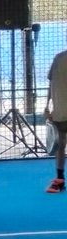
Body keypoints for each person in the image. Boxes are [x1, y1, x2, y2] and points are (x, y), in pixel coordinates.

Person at [48, 45, 67, 193]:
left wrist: (47, 106)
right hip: (60, 110)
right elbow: (52, 83)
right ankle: (59, 180)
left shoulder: (58, 58)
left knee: (60, 145)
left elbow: (50, 84)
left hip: (60, 111)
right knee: (60, 145)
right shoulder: (58, 58)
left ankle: (59, 181)